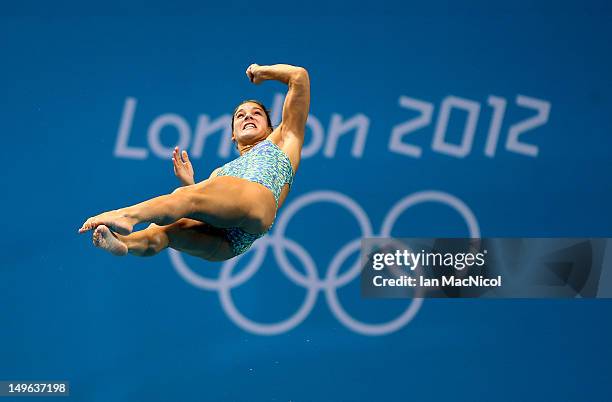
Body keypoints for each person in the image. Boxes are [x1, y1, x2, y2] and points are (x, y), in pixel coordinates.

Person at [79, 63, 310, 261]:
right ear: (233, 135)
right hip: (231, 244)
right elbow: (213, 208)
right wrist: (192, 183)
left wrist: (262, 71)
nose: (248, 116)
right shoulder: (220, 173)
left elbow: (299, 76)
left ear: (270, 128)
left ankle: (126, 215)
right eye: (240, 115)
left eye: (256, 113)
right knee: (165, 232)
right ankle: (125, 244)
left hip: (259, 203)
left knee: (184, 196)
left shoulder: (284, 140)